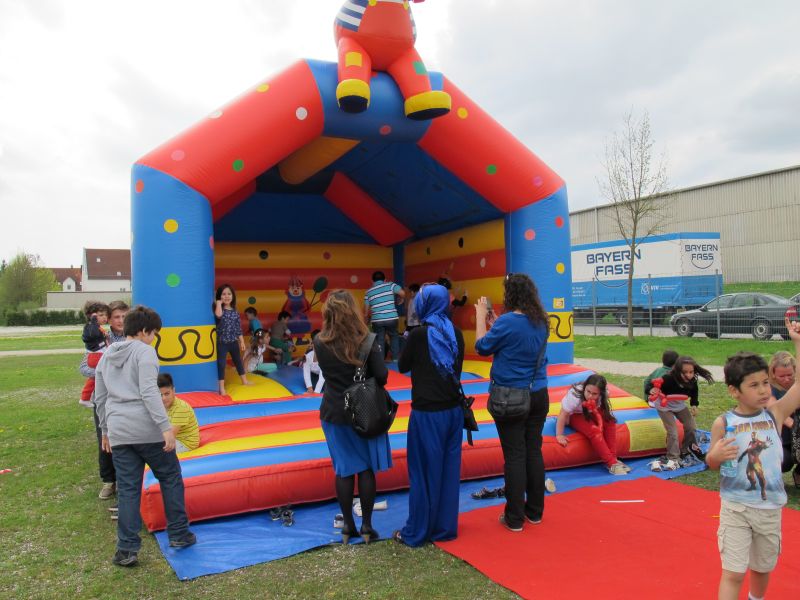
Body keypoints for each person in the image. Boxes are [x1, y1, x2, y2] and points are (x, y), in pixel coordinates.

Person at [94, 306, 196, 567]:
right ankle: (179, 534)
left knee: (128, 489)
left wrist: (105, 430)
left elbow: (100, 397)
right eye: (153, 333)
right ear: (142, 331)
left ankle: (126, 549)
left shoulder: (107, 355)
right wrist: (165, 426)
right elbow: (149, 391)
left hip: (119, 430)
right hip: (146, 429)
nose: (153, 338)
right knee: (170, 477)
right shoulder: (145, 352)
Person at [705, 331, 800, 600]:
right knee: (734, 572)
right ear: (734, 391)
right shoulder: (724, 423)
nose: (763, 390)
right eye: (754, 385)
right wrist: (715, 456)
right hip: (736, 508)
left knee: (762, 568)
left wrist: (797, 343)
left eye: (765, 383)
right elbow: (711, 463)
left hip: (769, 509)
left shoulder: (775, 414)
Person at [314, 290, 392, 544]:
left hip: (333, 411)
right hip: (365, 411)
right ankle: (367, 526)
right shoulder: (367, 340)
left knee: (344, 470)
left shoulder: (319, 341)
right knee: (366, 470)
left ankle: (348, 526)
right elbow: (382, 376)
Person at [474, 273, 549, 533]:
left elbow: (481, 347)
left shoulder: (508, 322)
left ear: (510, 295)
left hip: (511, 397)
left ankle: (514, 518)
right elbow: (520, 341)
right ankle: (534, 512)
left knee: (515, 455)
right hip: (538, 393)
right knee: (533, 450)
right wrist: (496, 324)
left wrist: (480, 317)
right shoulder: (541, 321)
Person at [394, 284, 465, 546]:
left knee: (423, 472)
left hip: (427, 413)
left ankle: (418, 530)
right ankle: (444, 527)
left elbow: (402, 366)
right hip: (453, 411)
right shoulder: (456, 333)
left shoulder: (418, 335)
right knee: (448, 471)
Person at [80, 300, 128, 500]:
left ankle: (126, 479)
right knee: (105, 438)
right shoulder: (100, 337)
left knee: (126, 439)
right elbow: (84, 367)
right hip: (103, 398)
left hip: (125, 396)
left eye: (124, 316)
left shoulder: (133, 337)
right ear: (109, 319)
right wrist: (105, 371)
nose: (120, 320)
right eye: (116, 317)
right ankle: (109, 480)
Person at [555, 374, 630, 475]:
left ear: (600, 393)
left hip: (591, 411)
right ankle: (611, 463)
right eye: (588, 391)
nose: (590, 396)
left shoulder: (604, 394)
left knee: (610, 422)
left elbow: (603, 412)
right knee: (594, 431)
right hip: (574, 414)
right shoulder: (575, 395)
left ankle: (613, 459)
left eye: (594, 394)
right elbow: (563, 414)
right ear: (585, 387)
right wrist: (559, 435)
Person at [649, 355, 714, 469]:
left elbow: (694, 393)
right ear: (678, 371)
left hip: (679, 405)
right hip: (664, 406)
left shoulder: (692, 381)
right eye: (685, 372)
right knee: (673, 432)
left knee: (691, 427)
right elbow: (651, 385)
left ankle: (686, 450)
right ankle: (673, 457)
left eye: (691, 372)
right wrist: (652, 390)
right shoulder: (668, 379)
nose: (688, 375)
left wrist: (694, 405)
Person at [767, 350, 799, 486]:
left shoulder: (797, 386)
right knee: (784, 462)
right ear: (773, 374)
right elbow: (774, 409)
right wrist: (794, 425)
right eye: (782, 376)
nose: (786, 379)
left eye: (789, 375)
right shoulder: (767, 388)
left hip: (795, 434)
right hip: (780, 437)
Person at [214, 284, 251, 396]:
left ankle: (244, 380)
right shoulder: (219, 309)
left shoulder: (235, 312)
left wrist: (242, 341)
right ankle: (221, 388)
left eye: (229, 294)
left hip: (233, 342)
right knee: (221, 364)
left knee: (238, 361)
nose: (226, 296)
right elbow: (218, 315)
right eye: (224, 294)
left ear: (233, 296)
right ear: (219, 296)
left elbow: (238, 328)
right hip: (222, 343)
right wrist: (219, 303)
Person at [364, 270, 405, 361]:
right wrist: (401, 299)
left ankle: (381, 361)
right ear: (385, 279)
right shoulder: (390, 285)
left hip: (377, 320)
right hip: (392, 318)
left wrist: (366, 320)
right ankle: (395, 358)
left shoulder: (368, 292)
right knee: (394, 336)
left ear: (372, 281)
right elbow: (402, 293)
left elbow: (366, 310)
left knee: (380, 339)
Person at [158, 373, 200, 453]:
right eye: (160, 395)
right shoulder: (161, 405)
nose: (163, 398)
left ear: (173, 391)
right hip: (175, 437)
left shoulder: (180, 408)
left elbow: (170, 436)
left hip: (185, 443)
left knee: (154, 450)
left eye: (167, 394)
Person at [79, 301, 110, 407]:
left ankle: (86, 397)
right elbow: (93, 335)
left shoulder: (97, 327)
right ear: (91, 316)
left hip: (99, 354)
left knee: (94, 379)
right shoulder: (90, 327)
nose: (104, 317)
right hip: (96, 356)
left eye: (106, 315)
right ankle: (86, 398)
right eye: (101, 315)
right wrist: (93, 321)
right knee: (103, 374)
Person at [302, 330, 325, 394]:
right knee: (310, 384)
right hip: (314, 375)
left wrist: (316, 392)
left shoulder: (324, 357)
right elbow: (306, 372)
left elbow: (322, 377)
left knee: (325, 386)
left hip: (326, 376)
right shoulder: (308, 356)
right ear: (313, 345)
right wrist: (310, 388)